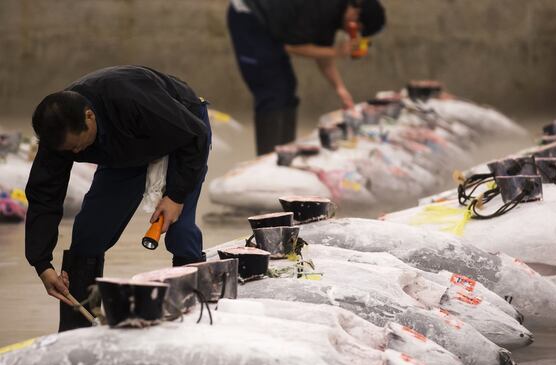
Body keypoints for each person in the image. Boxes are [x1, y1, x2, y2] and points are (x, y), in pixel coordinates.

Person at [26, 65, 212, 332]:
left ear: (89, 117)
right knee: (89, 234)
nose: (76, 153)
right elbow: (44, 196)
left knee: (178, 231)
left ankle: (197, 316)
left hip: (182, 135)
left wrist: (175, 196)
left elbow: (195, 136)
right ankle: (76, 329)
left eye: (78, 146)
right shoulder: (59, 136)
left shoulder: (132, 100)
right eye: (70, 151)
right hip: (123, 150)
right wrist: (42, 263)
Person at [227, 0, 386, 156]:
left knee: (287, 87)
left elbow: (323, 54)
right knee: (272, 92)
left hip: (271, 25)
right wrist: (336, 52)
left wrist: (340, 88)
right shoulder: (322, 8)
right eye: (358, 26)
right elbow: (292, 47)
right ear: (356, 10)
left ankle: (284, 154)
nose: (353, 30)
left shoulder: (336, 13)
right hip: (249, 15)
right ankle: (268, 162)